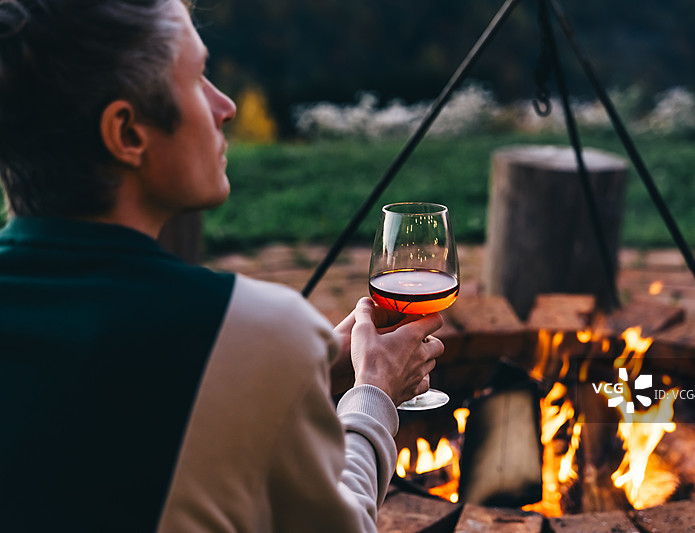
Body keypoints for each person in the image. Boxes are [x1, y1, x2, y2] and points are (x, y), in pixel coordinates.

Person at [0, 0, 445, 531]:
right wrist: (374, 393)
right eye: (196, 79)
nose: (226, 105)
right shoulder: (251, 325)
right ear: (127, 133)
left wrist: (300, 370)